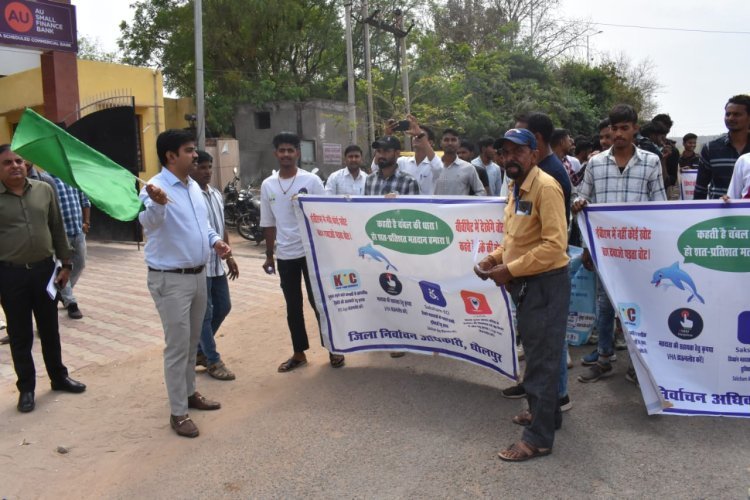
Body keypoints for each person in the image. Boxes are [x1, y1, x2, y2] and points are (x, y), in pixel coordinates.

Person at [475, 128, 570, 462]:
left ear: (534, 152)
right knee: (536, 352)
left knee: (542, 361)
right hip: (528, 285)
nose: (509, 158)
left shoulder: (545, 187)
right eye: (505, 152)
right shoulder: (517, 186)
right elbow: (516, 239)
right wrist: (494, 258)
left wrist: (510, 270)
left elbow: (554, 245)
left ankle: (538, 439)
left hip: (546, 283)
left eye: (518, 151)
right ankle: (547, 416)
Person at [139, 129, 231, 438]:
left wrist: (216, 242)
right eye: (190, 150)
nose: (195, 155)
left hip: (198, 275)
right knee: (177, 347)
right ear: (171, 156)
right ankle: (178, 413)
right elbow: (148, 224)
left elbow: (202, 226)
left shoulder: (192, 187)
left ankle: (191, 394)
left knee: (193, 341)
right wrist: (158, 204)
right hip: (170, 280)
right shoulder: (154, 188)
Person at [573, 104, 666, 384]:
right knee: (605, 305)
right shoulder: (596, 163)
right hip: (605, 250)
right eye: (614, 128)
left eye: (625, 127)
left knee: (638, 306)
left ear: (635, 129)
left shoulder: (651, 161)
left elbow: (659, 206)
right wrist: (578, 205)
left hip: (638, 251)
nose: (619, 133)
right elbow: (580, 198)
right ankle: (603, 358)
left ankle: (639, 363)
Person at [0, 144, 86, 413]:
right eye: (7, 163)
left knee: (50, 329)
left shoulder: (44, 190)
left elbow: (57, 228)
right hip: (10, 275)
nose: (15, 166)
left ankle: (59, 377)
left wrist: (67, 264)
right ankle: (26, 388)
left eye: (19, 161)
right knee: (20, 333)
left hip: (44, 272)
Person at [261, 132, 346, 372]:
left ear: (298, 153)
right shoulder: (268, 185)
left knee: (319, 300)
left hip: (313, 253)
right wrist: (270, 255)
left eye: (290, 150)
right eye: (282, 150)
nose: (286, 154)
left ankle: (333, 348)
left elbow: (325, 215)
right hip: (286, 255)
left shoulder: (311, 181)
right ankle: (299, 353)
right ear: (276, 154)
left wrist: (329, 251)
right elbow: (268, 223)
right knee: (292, 305)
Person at [189, 150, 238, 381]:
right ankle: (212, 359)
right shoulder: (190, 196)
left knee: (224, 306)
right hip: (200, 263)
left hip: (217, 263)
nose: (207, 171)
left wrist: (229, 256)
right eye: (202, 167)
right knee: (204, 314)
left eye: (209, 167)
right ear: (192, 168)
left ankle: (200, 351)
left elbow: (222, 227)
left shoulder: (216, 194)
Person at [50, 175, 91, 319]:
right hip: (61, 233)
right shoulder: (47, 180)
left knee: (80, 264)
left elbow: (85, 200)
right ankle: (71, 303)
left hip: (78, 230)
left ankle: (63, 291)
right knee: (62, 266)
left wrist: (86, 222)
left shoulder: (71, 177)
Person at [695, 94, 750, 199]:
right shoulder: (710, 148)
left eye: (737, 114)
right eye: (728, 114)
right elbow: (700, 189)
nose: (730, 118)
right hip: (720, 213)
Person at [371, 115, 441, 194]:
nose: (416, 137)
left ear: (430, 142)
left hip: (426, 206)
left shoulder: (434, 163)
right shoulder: (402, 161)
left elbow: (440, 169)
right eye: (414, 135)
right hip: (404, 206)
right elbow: (375, 168)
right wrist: (387, 136)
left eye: (419, 136)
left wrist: (421, 134)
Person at [434, 128, 485, 196]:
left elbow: (481, 192)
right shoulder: (432, 166)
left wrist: (468, 204)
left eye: (453, 140)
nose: (450, 143)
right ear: (441, 143)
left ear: (459, 143)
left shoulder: (468, 168)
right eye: (446, 140)